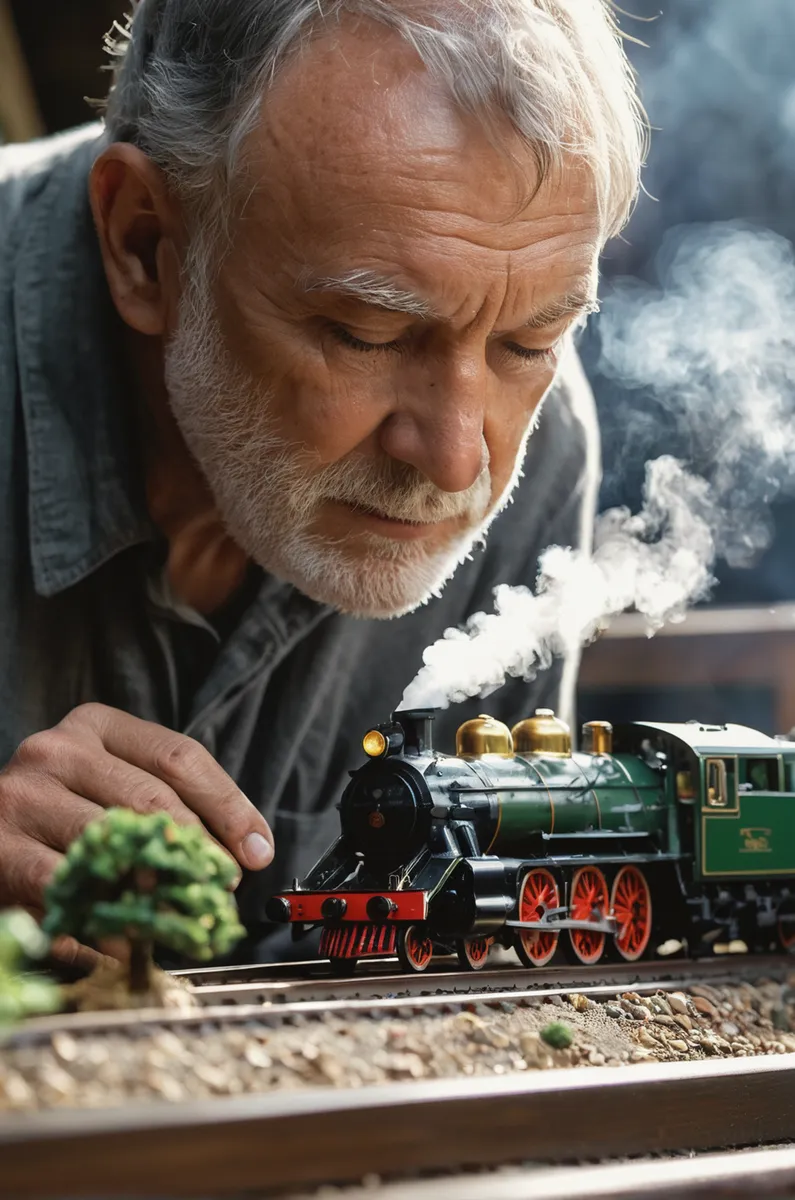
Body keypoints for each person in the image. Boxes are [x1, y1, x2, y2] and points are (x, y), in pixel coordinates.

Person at [0, 0, 645, 965]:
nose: (459, 457)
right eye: (368, 334)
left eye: (529, 342)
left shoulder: (546, 443)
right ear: (144, 244)